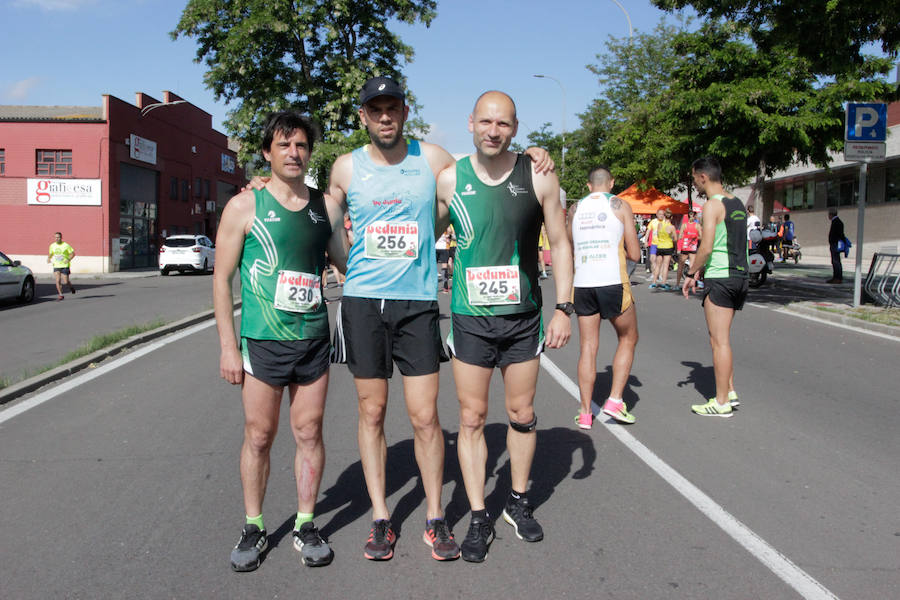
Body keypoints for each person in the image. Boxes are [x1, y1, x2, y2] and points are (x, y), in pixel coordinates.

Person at [326, 77, 554, 562]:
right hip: (364, 303)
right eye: (375, 109)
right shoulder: (345, 167)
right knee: (371, 413)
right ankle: (381, 518)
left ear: (405, 113)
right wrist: (349, 267)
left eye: (393, 108)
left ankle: (435, 517)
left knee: (426, 417)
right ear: (363, 115)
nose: (384, 117)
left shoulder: (433, 161)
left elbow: (488, 169)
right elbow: (323, 217)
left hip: (417, 303)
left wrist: (534, 151)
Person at [435, 90, 573, 563]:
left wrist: (565, 307)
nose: (494, 131)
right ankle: (478, 516)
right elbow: (413, 227)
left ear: (516, 128)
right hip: (471, 320)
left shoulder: (537, 175)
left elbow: (559, 239)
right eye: (486, 122)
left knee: (521, 413)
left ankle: (516, 500)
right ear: (471, 123)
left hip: (523, 319)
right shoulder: (449, 179)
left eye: (504, 124)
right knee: (471, 418)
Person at [214, 111, 347, 572]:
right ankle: (254, 526)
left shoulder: (326, 208)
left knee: (309, 432)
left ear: (310, 152)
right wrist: (228, 347)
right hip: (262, 341)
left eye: (302, 146)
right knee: (260, 435)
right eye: (284, 145)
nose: (294, 153)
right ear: (267, 153)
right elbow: (221, 278)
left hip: (312, 339)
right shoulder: (244, 207)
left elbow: (348, 264)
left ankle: (306, 524)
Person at [569, 166, 640, 429]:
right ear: (611, 183)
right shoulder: (620, 205)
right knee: (629, 337)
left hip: (583, 283)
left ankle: (585, 413)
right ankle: (614, 400)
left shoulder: (575, 209)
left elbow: (569, 243)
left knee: (588, 346)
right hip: (612, 281)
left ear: (589, 186)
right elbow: (634, 253)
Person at [682, 156, 747, 417]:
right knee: (724, 340)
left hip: (720, 276)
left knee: (718, 341)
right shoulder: (737, 202)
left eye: (694, 178)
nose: (694, 183)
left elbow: (706, 247)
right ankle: (729, 390)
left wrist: (690, 271)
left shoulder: (712, 205)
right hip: (740, 276)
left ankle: (721, 402)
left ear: (703, 177)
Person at [650, 209, 677, 290]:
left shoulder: (659, 225)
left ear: (664, 216)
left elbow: (657, 235)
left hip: (660, 246)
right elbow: (675, 239)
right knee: (665, 265)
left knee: (658, 265)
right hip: (668, 246)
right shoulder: (672, 227)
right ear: (671, 217)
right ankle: (663, 283)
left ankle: (654, 282)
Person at [676, 210, 701, 288]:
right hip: (686, 246)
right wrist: (685, 236)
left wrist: (693, 237)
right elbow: (679, 237)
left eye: (692, 216)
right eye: (690, 215)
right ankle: (678, 284)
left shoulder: (696, 225)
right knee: (681, 265)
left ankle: (690, 283)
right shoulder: (685, 225)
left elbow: (701, 236)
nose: (691, 217)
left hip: (691, 247)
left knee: (691, 266)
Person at [48, 232, 76, 300]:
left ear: (61, 238)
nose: (57, 239)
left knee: (66, 281)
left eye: (58, 237)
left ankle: (71, 287)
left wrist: (68, 259)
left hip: (65, 265)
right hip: (56, 265)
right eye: (56, 237)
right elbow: (51, 253)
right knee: (57, 280)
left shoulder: (66, 245)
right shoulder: (52, 246)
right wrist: (49, 258)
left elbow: (73, 253)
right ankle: (61, 295)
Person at [827, 209, 845, 283]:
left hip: (835, 244)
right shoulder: (837, 222)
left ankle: (837, 277)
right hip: (835, 243)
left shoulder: (836, 222)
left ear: (831, 214)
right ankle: (836, 277)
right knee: (835, 261)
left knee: (836, 261)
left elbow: (838, 234)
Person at [436, 228, 452, 292]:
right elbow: (450, 231)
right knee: (444, 267)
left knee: (433, 267)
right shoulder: (445, 226)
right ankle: (445, 286)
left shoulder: (435, 224)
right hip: (444, 248)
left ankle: (431, 286)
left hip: (436, 247)